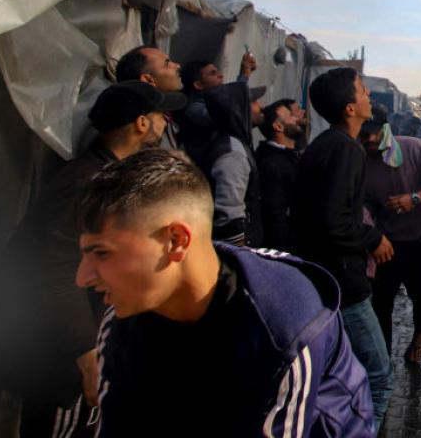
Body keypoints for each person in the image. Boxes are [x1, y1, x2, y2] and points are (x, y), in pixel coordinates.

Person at [74, 148, 374, 436]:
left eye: (101, 253)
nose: (82, 277)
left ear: (176, 240)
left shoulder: (284, 327)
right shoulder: (122, 321)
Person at [5, 82, 185, 438]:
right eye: (159, 114)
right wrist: (86, 357)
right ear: (141, 124)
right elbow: (56, 270)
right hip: (65, 364)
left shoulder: (109, 177)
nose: (166, 121)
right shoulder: (88, 182)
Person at [291, 68, 393, 429]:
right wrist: (373, 239)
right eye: (364, 91)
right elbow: (333, 221)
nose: (370, 98)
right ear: (350, 108)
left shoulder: (327, 145)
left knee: (337, 376)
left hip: (321, 277)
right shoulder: (345, 149)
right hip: (342, 283)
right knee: (379, 377)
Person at [359, 108, 421, 362]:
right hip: (389, 243)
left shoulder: (414, 148)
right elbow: (367, 200)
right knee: (381, 303)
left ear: (385, 129)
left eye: (373, 133)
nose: (369, 140)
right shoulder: (362, 161)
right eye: (363, 135)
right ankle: (383, 362)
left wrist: (415, 198)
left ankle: (419, 336)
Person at [204, 80, 266, 246]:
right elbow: (229, 217)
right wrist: (240, 256)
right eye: (253, 102)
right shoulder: (232, 154)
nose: (259, 106)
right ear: (239, 110)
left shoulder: (236, 144)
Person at [176, 53, 258, 168]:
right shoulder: (195, 109)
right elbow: (227, 114)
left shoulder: (211, 103)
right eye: (213, 73)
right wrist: (244, 75)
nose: (221, 76)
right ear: (198, 85)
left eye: (218, 71)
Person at [255, 99, 304, 252]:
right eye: (290, 116)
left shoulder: (290, 157)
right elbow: (276, 215)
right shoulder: (273, 165)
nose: (296, 119)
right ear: (278, 126)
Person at [115, 46, 183, 148]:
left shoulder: (162, 113)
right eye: (167, 63)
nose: (177, 65)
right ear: (148, 79)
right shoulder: (145, 130)